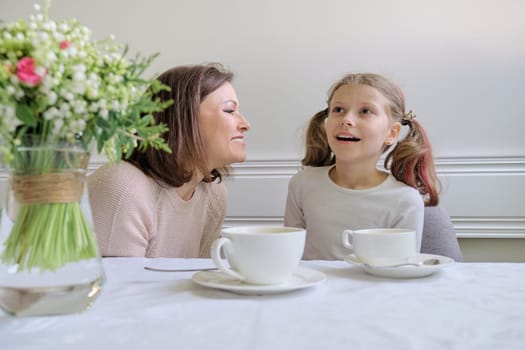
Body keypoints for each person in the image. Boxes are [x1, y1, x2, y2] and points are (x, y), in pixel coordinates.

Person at [88, 63, 251, 257]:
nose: (245, 125)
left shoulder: (214, 195)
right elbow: (118, 285)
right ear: (184, 117)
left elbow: (197, 278)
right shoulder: (125, 186)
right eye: (230, 111)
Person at [284, 73, 440, 260]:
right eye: (339, 109)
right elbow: (290, 257)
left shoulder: (405, 200)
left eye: (365, 111)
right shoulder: (302, 184)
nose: (346, 119)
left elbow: (400, 270)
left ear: (392, 133)